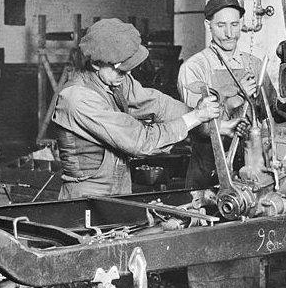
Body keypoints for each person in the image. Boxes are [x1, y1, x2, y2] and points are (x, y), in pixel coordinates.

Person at [176, 0, 279, 288]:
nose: (229, 32)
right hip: (209, 174)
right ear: (209, 26)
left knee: (242, 264)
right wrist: (238, 100)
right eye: (221, 25)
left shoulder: (253, 63)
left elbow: (274, 112)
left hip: (248, 173)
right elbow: (203, 124)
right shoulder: (195, 68)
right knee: (207, 263)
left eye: (235, 24)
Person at [51, 18, 221, 199]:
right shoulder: (78, 98)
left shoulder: (114, 80)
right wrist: (195, 118)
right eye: (121, 70)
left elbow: (158, 104)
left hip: (120, 192)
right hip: (86, 199)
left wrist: (211, 121)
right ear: (96, 64)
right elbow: (141, 141)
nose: (127, 75)